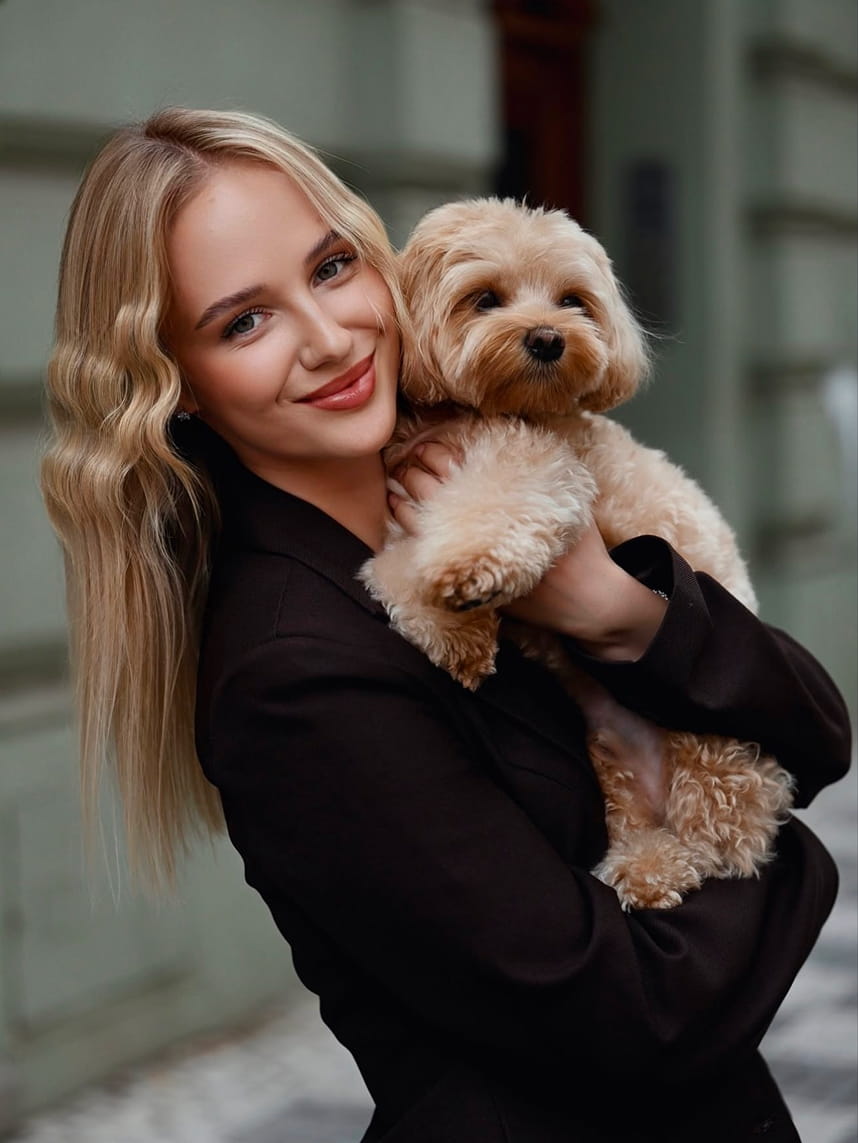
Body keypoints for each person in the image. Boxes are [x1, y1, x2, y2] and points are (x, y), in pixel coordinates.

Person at [41, 107, 851, 1143]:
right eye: (244, 321)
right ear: (179, 389)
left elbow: (818, 729)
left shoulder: (498, 495)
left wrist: (612, 608)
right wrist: (793, 864)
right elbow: (633, 1013)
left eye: (332, 267)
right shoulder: (295, 670)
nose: (331, 338)